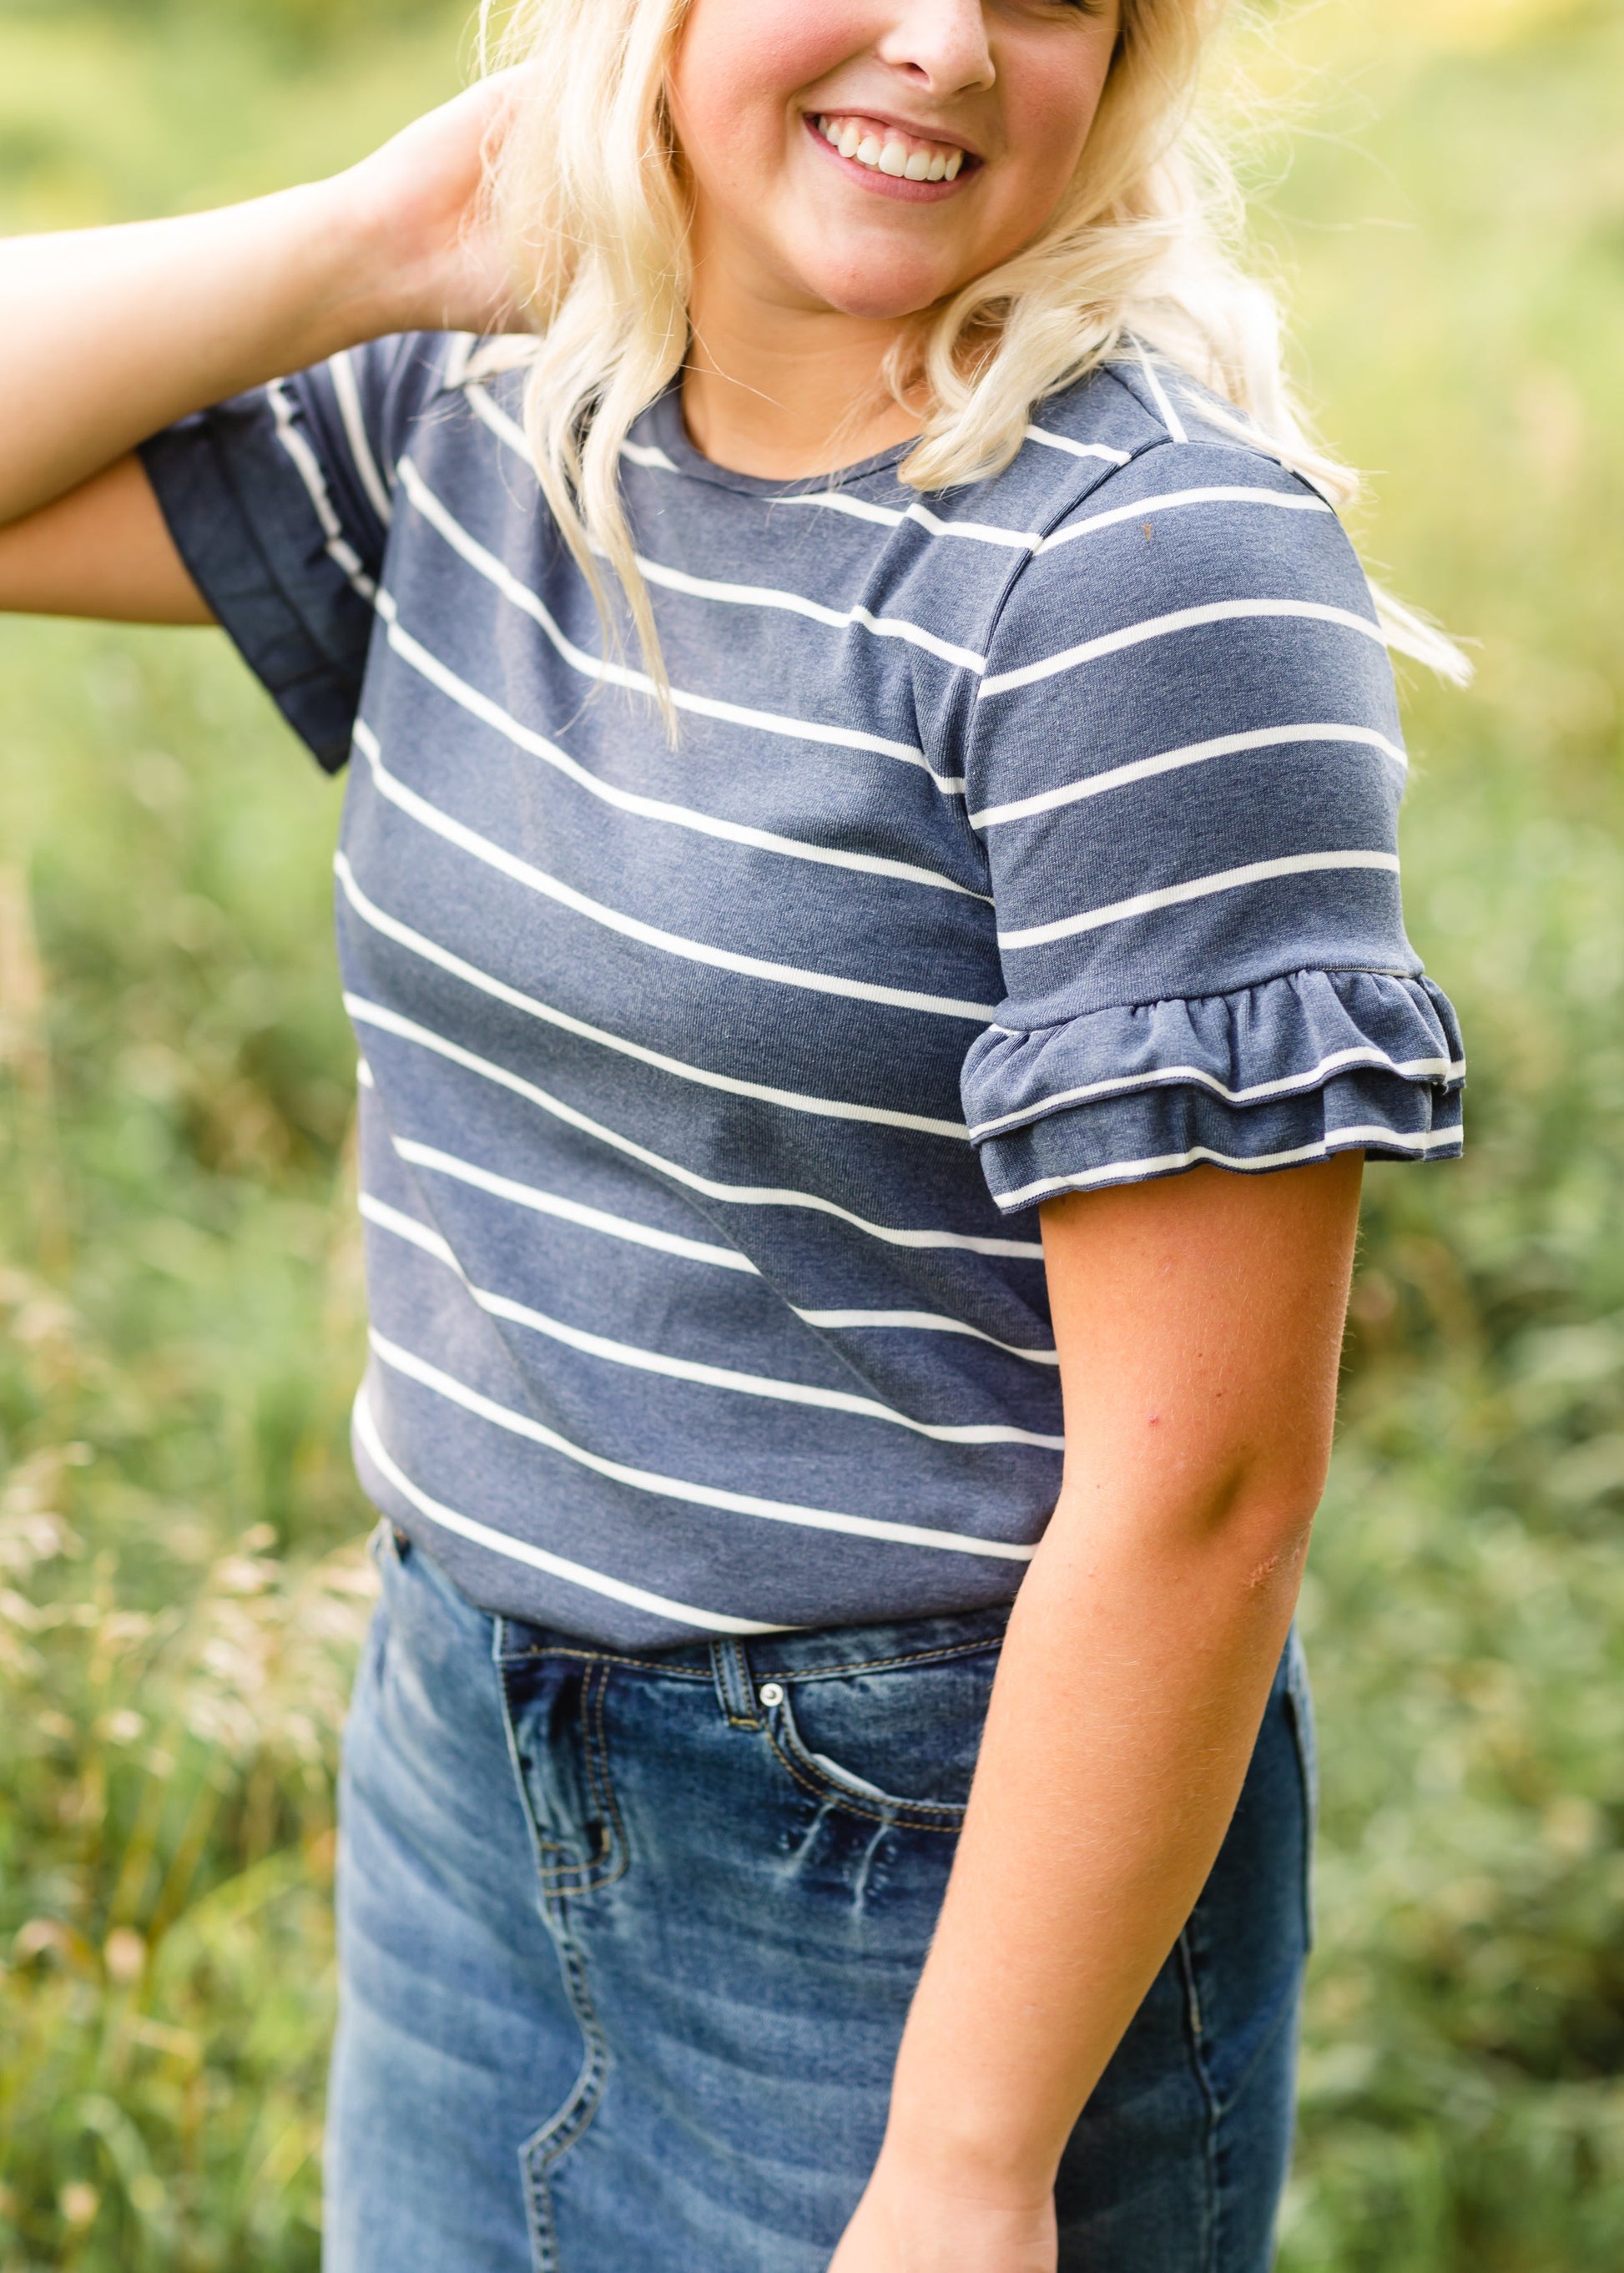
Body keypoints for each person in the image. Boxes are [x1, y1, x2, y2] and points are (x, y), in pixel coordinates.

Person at [0, 2, 1467, 2266]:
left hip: (915, 1868)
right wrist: (375, 237)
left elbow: (1203, 1491)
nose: (952, 45)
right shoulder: (502, 415)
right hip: (464, 1749)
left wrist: (966, 2163)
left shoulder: (1140, 574)